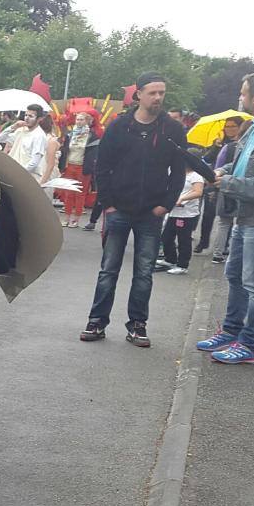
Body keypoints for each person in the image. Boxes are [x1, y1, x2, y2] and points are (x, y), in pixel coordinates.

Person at [80, 73, 187, 347]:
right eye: (153, 93)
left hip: (151, 212)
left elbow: (178, 171)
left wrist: (166, 203)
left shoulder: (172, 130)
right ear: (138, 95)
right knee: (108, 270)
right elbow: (102, 167)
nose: (159, 98)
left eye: (162, 93)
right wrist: (109, 203)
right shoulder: (120, 126)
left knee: (144, 272)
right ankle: (97, 321)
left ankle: (138, 324)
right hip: (119, 209)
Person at [196, 71, 254, 364]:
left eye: (243, 93)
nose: (240, 98)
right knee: (234, 275)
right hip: (243, 215)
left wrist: (228, 184)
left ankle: (249, 343)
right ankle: (231, 331)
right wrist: (223, 172)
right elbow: (241, 164)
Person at [197, 117, 244, 252]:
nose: (229, 129)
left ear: (239, 127)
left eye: (232, 126)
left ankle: (223, 247)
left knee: (226, 215)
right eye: (226, 126)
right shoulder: (219, 142)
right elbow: (207, 159)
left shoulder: (243, 143)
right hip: (214, 181)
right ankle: (203, 241)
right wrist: (216, 146)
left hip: (230, 182)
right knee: (208, 214)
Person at [211, 118, 249, 262]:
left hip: (226, 187)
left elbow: (219, 166)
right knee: (241, 224)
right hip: (243, 189)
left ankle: (218, 253)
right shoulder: (250, 149)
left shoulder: (229, 147)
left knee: (224, 223)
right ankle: (235, 254)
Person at [59, 111, 102, 228]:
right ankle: (66, 218)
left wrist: (90, 167)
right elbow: (65, 151)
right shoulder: (70, 135)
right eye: (77, 119)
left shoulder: (92, 136)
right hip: (70, 165)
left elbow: (94, 154)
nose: (79, 122)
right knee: (68, 193)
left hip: (83, 167)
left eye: (82, 119)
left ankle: (76, 219)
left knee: (80, 194)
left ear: (87, 121)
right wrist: (62, 166)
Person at [158, 169, 205, 274]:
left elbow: (198, 192)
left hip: (186, 214)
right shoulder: (177, 173)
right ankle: (170, 259)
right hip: (173, 211)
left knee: (183, 240)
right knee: (166, 237)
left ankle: (182, 265)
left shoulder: (195, 176)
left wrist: (182, 199)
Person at [0, 104, 48, 177]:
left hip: (27, 176)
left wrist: (18, 172)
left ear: (39, 119)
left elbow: (34, 163)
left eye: (31, 116)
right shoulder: (21, 130)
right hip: (13, 173)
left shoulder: (39, 135)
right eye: (26, 115)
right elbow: (0, 139)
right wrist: (14, 126)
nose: (26, 118)